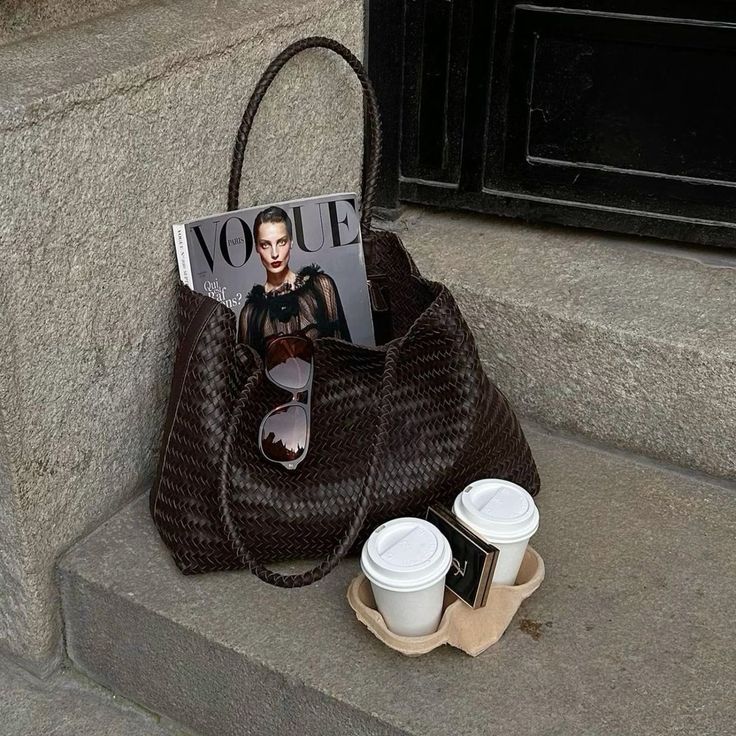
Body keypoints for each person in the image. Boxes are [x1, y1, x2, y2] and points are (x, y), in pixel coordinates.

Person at [238, 206, 351, 354]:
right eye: (265, 245)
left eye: (281, 242)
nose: (274, 253)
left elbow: (343, 354)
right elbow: (250, 373)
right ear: (257, 248)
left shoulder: (320, 287)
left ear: (291, 242)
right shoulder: (251, 313)